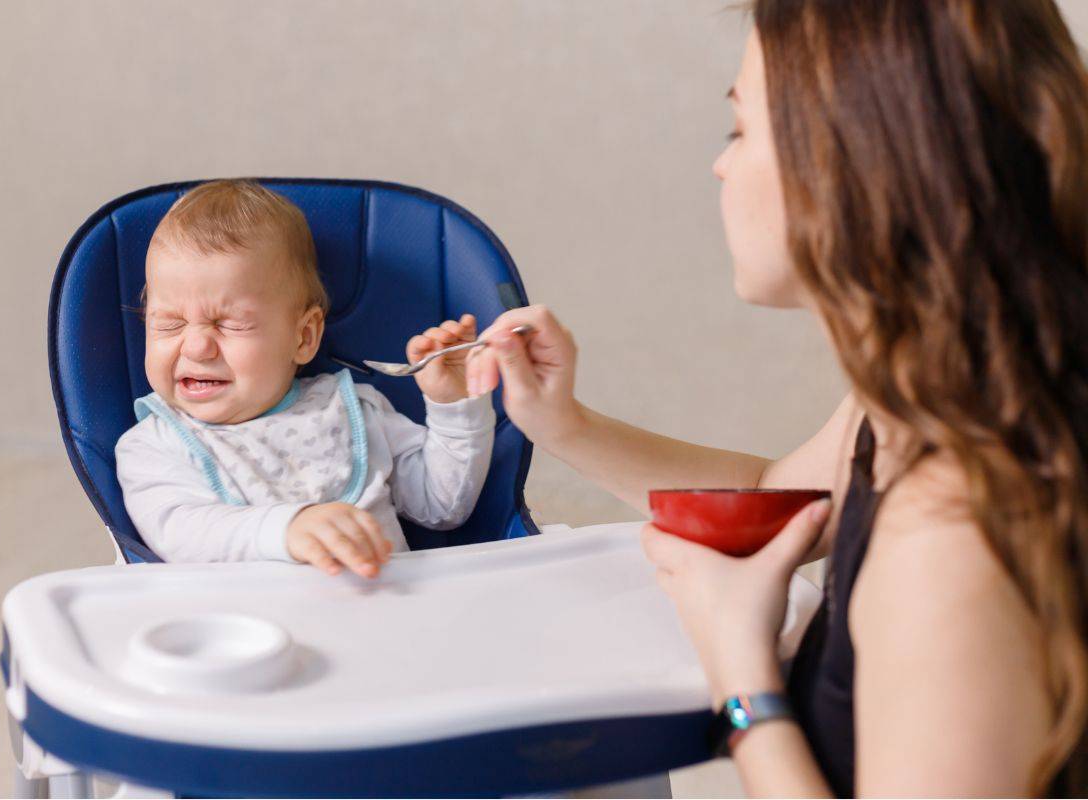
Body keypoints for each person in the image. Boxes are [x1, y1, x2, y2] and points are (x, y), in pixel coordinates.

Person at [465, 1, 1088, 794]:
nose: (721, 166)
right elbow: (771, 501)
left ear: (854, 163)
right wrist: (562, 425)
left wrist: (740, 671)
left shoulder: (954, 531)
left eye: (741, 130)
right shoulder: (927, 394)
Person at [115, 179, 495, 576]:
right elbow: (181, 536)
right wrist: (288, 528)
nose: (195, 348)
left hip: (386, 618)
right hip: (243, 631)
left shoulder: (354, 414)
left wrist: (453, 403)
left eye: (230, 324)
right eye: (169, 324)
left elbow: (444, 507)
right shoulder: (154, 445)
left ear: (304, 336)